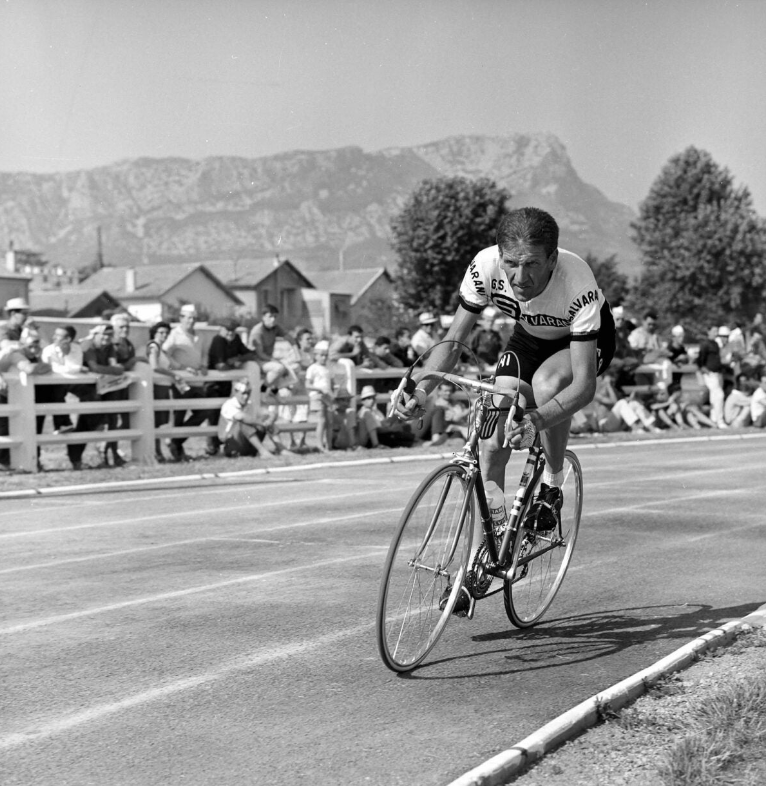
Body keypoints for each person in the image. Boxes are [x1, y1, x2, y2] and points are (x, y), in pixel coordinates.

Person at [394, 208, 615, 610]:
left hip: (580, 344)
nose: (520, 277)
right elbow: (453, 341)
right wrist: (422, 391)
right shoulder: (484, 267)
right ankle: (481, 558)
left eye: (532, 264)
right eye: (511, 263)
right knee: (492, 441)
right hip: (528, 339)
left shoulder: (577, 280)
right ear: (499, 256)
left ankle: (551, 484)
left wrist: (535, 420)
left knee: (548, 385)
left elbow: (583, 387)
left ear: (553, 258)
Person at [162, 304, 212, 461]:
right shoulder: (175, 334)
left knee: (204, 412)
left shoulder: (200, 335)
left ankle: (175, 441)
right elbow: (165, 352)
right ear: (181, 318)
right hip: (181, 382)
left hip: (197, 381)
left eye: (194, 318)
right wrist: (180, 367)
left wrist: (204, 365)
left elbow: (204, 353)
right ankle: (177, 450)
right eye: (188, 318)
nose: (191, 321)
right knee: (179, 415)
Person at [81, 322, 130, 466]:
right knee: (94, 423)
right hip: (89, 391)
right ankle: (90, 456)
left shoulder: (109, 348)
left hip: (107, 386)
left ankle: (113, 454)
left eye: (110, 334)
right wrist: (114, 370)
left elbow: (114, 365)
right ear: (96, 334)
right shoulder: (88, 346)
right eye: (104, 334)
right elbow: (95, 367)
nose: (107, 337)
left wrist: (112, 369)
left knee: (113, 418)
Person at [218, 378, 291, 458]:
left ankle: (281, 449)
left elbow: (263, 412)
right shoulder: (229, 405)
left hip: (245, 445)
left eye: (248, 393)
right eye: (243, 393)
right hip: (232, 445)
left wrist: (270, 417)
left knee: (264, 418)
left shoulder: (248, 404)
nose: (246, 396)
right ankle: (263, 452)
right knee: (245, 422)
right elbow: (240, 417)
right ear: (236, 392)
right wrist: (261, 422)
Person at [145, 321, 186, 462]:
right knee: (155, 421)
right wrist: (172, 375)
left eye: (166, 333)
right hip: (156, 387)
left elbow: (175, 365)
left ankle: (159, 451)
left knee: (161, 421)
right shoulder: (153, 347)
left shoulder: (163, 350)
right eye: (161, 332)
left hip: (164, 387)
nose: (164, 335)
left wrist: (186, 369)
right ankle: (156, 452)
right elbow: (154, 366)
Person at [247, 305, 294, 390]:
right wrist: (274, 360)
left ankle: (276, 391)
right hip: (255, 361)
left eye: (275, 317)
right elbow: (260, 354)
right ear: (263, 317)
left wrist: (296, 349)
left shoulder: (275, 327)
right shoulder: (257, 331)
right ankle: (262, 390)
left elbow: (288, 337)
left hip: (267, 360)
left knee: (294, 366)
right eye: (270, 316)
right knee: (279, 368)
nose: (273, 319)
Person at [305, 341, 335, 452]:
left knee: (330, 421)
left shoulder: (328, 368)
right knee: (321, 420)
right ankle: (319, 445)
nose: (324, 358)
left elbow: (331, 383)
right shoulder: (312, 368)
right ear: (315, 355)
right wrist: (320, 389)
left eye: (325, 355)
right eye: (321, 355)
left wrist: (333, 392)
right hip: (317, 396)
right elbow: (307, 385)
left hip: (328, 396)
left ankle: (329, 445)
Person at [696, 325, 727, 428]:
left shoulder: (716, 344)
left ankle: (713, 419)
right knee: (719, 395)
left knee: (714, 398)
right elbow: (700, 360)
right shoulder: (705, 344)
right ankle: (720, 420)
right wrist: (705, 370)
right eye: (714, 331)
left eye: (716, 331)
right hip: (710, 373)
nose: (715, 333)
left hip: (717, 373)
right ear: (708, 331)